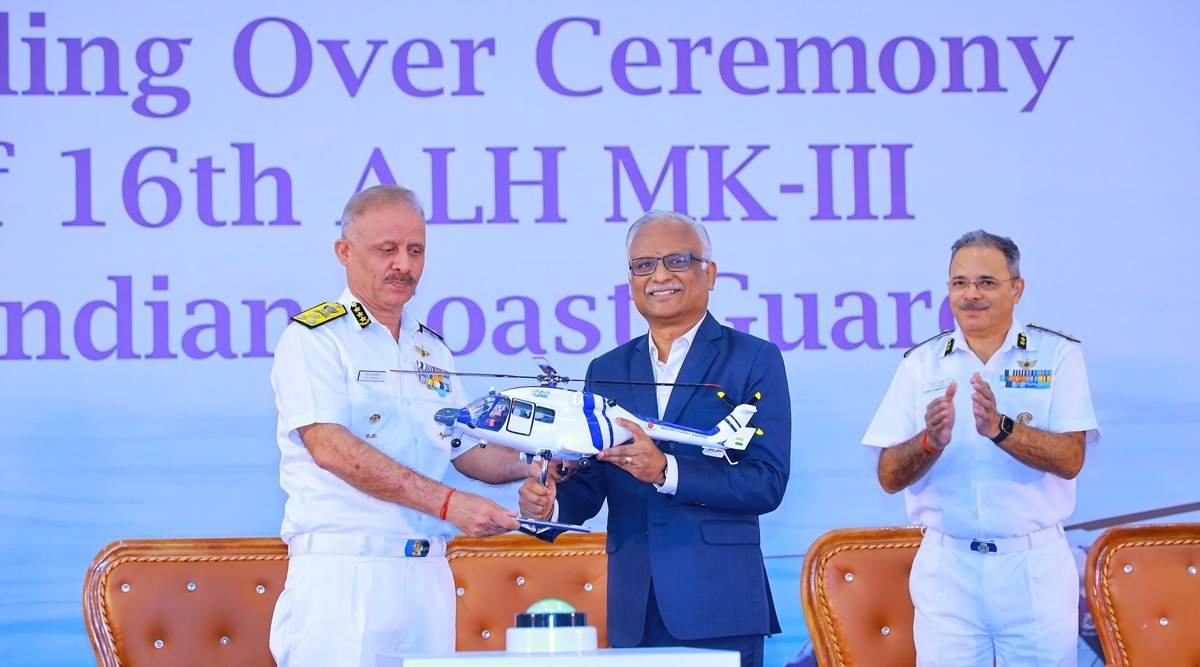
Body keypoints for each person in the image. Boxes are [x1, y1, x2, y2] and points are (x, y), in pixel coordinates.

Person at [269, 184, 537, 667]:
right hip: (346, 576)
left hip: (429, 572)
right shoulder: (313, 340)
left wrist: (536, 463)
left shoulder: (430, 348)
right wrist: (449, 503)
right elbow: (331, 448)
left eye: (415, 250)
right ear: (344, 253)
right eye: (387, 249)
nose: (404, 264)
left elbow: (465, 450)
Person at [518, 210, 792, 667]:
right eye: (643, 265)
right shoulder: (606, 371)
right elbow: (591, 482)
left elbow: (765, 481)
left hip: (721, 607)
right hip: (634, 608)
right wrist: (550, 505)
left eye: (677, 261)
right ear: (630, 281)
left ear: (710, 273)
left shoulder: (754, 359)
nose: (659, 275)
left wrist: (667, 471)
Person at [862, 230, 1100, 667]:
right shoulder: (921, 363)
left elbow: (1071, 459)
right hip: (946, 569)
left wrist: (1001, 429)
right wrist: (927, 444)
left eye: (986, 282)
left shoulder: (1057, 355)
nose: (971, 295)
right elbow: (888, 477)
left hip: (1033, 568)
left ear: (1017, 288)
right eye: (959, 283)